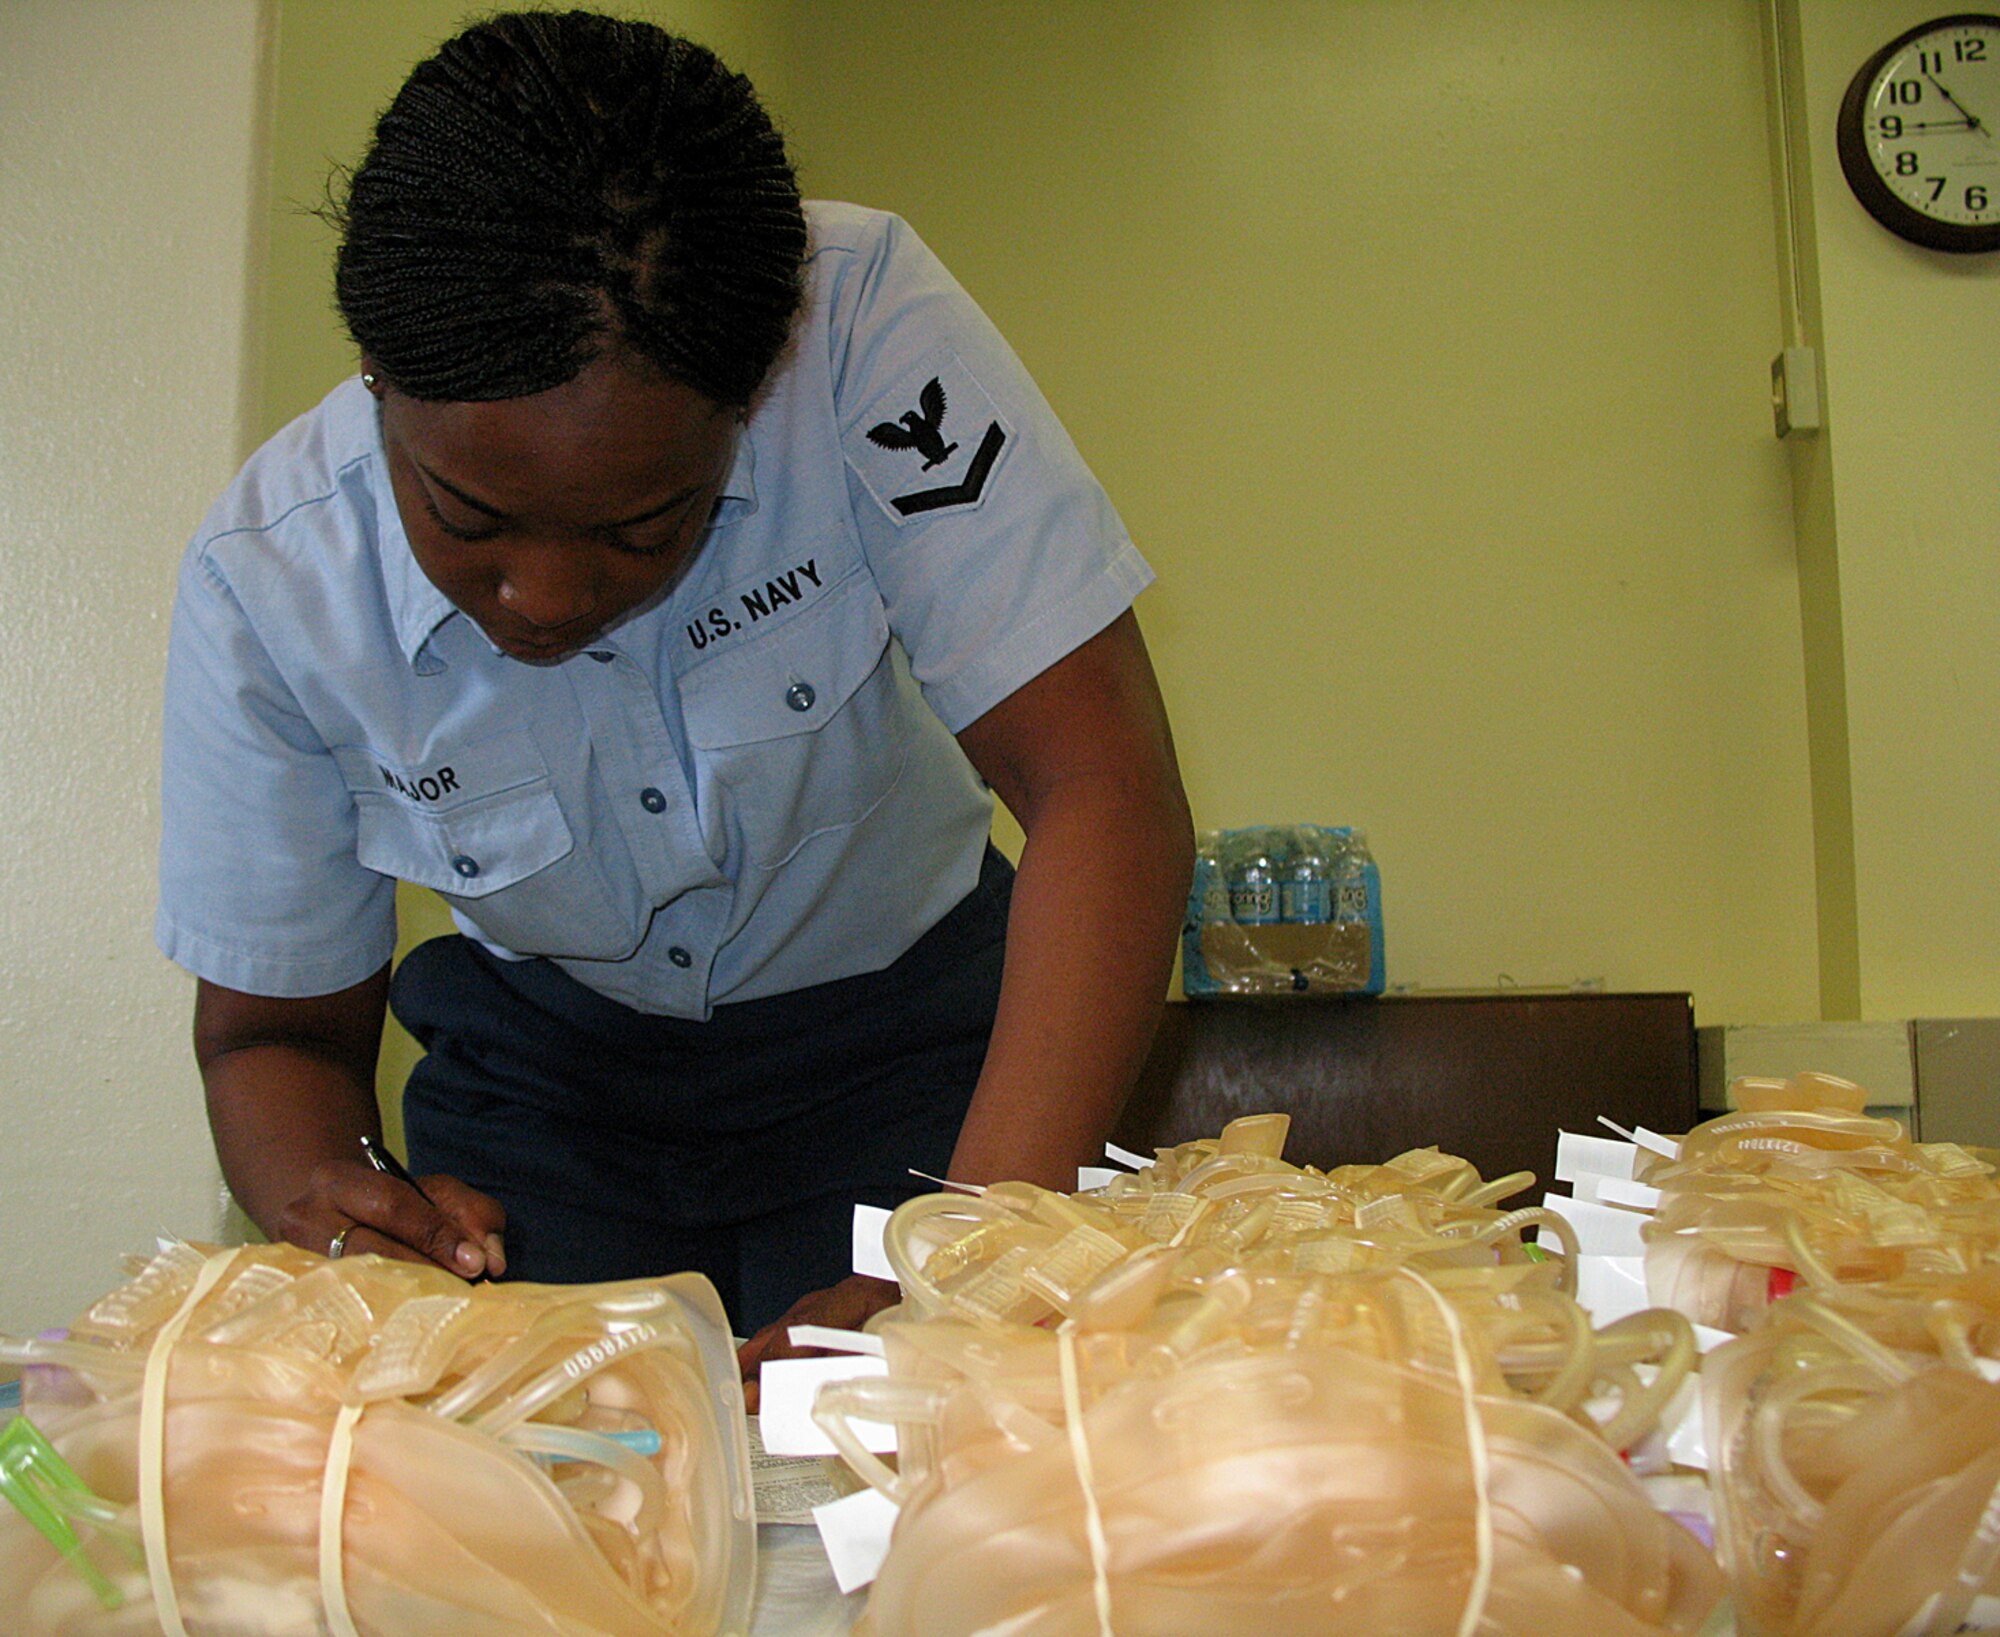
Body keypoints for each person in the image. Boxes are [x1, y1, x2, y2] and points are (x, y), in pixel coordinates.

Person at [156, 10, 1192, 1388]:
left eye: (645, 529)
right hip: (546, 1109)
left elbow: (1101, 787)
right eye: (466, 517)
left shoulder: (858, 322)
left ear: (753, 396)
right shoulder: (269, 581)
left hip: (926, 1062)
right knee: (552, 1525)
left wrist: (966, 1269)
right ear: (374, 381)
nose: (545, 594)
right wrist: (341, 1211)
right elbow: (271, 1033)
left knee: (943, 1474)